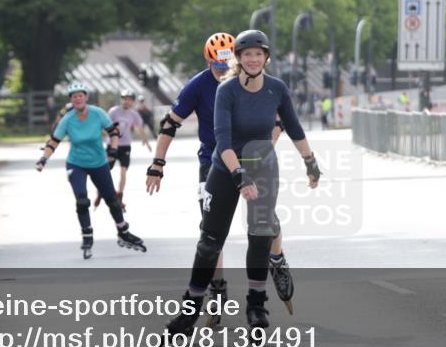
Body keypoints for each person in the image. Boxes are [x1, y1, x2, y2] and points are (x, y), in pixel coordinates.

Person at [165, 30, 321, 338]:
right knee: (210, 243)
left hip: (262, 166)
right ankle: (191, 308)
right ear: (238, 58)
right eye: (246, 54)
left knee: (260, 235)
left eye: (258, 54)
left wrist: (310, 162)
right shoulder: (227, 90)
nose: (252, 59)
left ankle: (256, 305)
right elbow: (222, 140)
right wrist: (239, 176)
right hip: (225, 169)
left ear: (266, 58)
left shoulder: (276, 89)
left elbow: (293, 127)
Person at [146, 32, 294, 322]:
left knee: (265, 221)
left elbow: (280, 123)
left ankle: (276, 260)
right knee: (210, 232)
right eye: (216, 67)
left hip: (252, 159)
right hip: (213, 164)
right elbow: (169, 124)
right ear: (208, 62)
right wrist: (157, 164)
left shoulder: (260, 83)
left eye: (227, 65)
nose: (222, 72)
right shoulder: (199, 85)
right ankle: (217, 287)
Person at [36, 82, 146, 259]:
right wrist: (43, 160)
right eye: (74, 96)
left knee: (112, 199)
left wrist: (113, 150)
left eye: (80, 95)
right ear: (71, 100)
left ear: (86, 97)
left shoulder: (98, 113)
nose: (77, 99)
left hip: (99, 162)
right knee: (82, 201)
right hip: (76, 163)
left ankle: (123, 232)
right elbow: (54, 141)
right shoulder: (68, 119)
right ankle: (87, 236)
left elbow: (113, 132)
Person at [104, 89, 152, 211]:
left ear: (133, 102)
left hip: (125, 145)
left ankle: (119, 196)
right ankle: (107, 192)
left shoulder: (134, 114)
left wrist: (146, 142)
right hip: (112, 145)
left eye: (130, 100)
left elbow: (140, 128)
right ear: (122, 100)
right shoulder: (114, 111)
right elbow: (105, 125)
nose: (127, 102)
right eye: (125, 99)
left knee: (123, 171)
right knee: (105, 171)